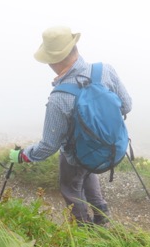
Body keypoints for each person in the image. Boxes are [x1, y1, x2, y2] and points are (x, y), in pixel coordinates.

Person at [9, 26, 133, 226]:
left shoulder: (59, 98)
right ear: (75, 47)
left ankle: (83, 229)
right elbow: (127, 105)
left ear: (51, 61)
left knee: (71, 187)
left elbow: (49, 146)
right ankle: (103, 219)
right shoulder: (105, 70)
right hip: (108, 146)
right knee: (88, 170)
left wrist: (24, 155)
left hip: (78, 155)